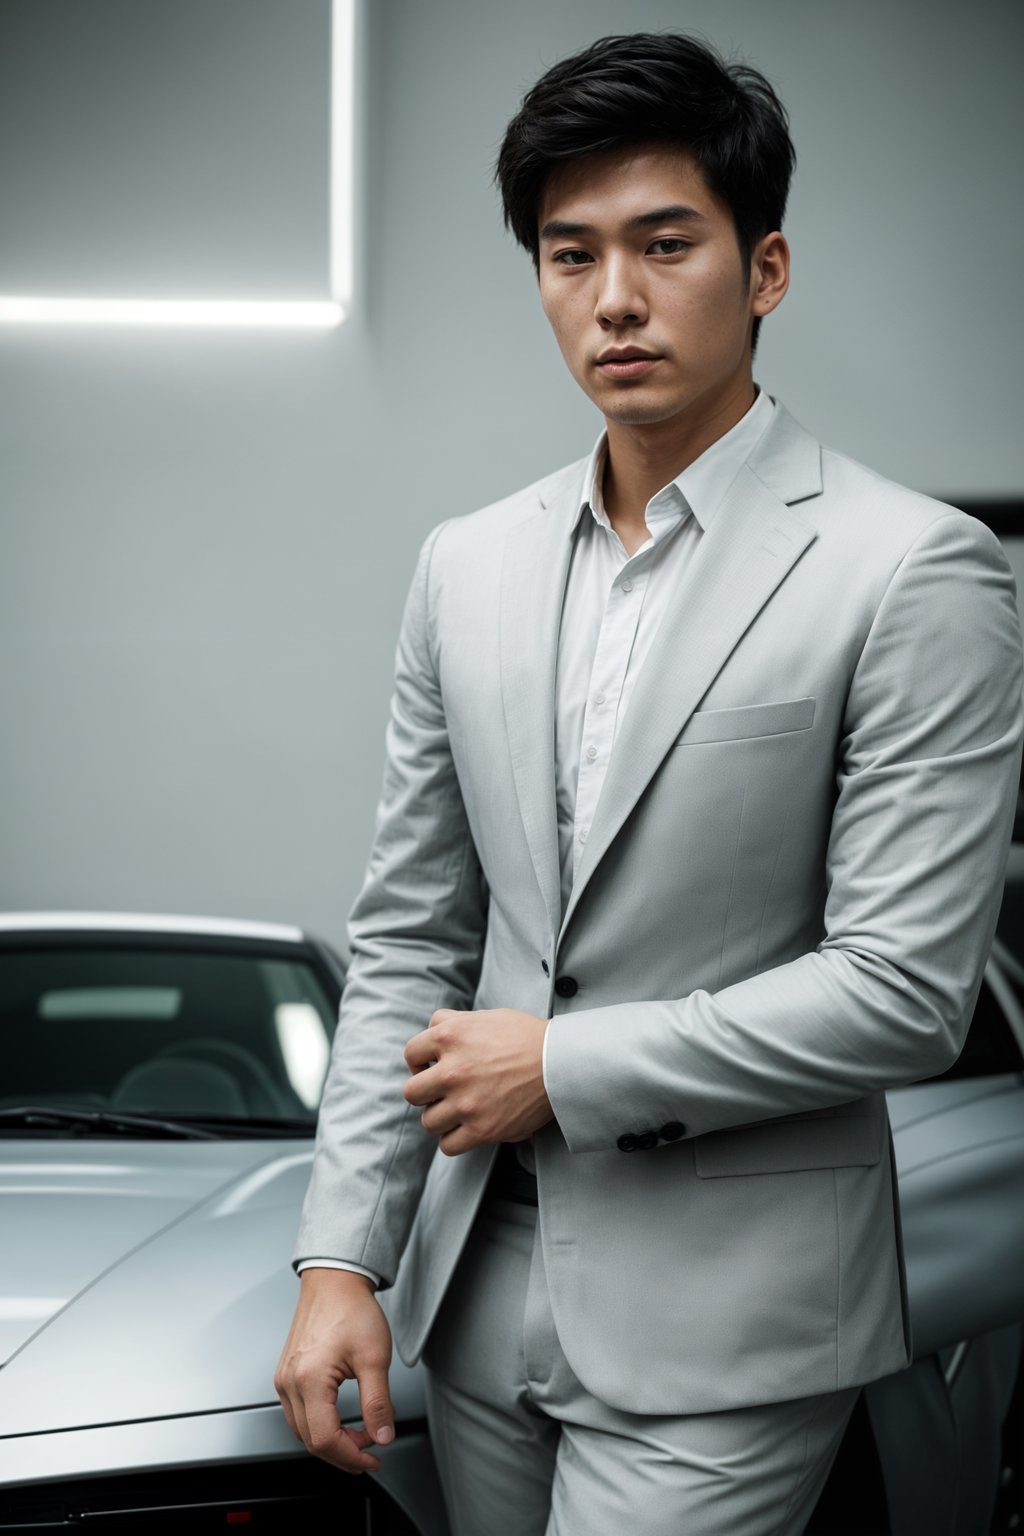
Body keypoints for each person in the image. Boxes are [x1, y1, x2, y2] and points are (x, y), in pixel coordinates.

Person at [275, 32, 1023, 1536]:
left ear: (767, 270)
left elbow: (900, 990)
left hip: (738, 1321)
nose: (612, 298)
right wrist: (340, 1260)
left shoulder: (912, 568)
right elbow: (412, 933)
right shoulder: (465, 564)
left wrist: (557, 1067)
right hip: (478, 1298)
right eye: (570, 255)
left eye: (664, 244)